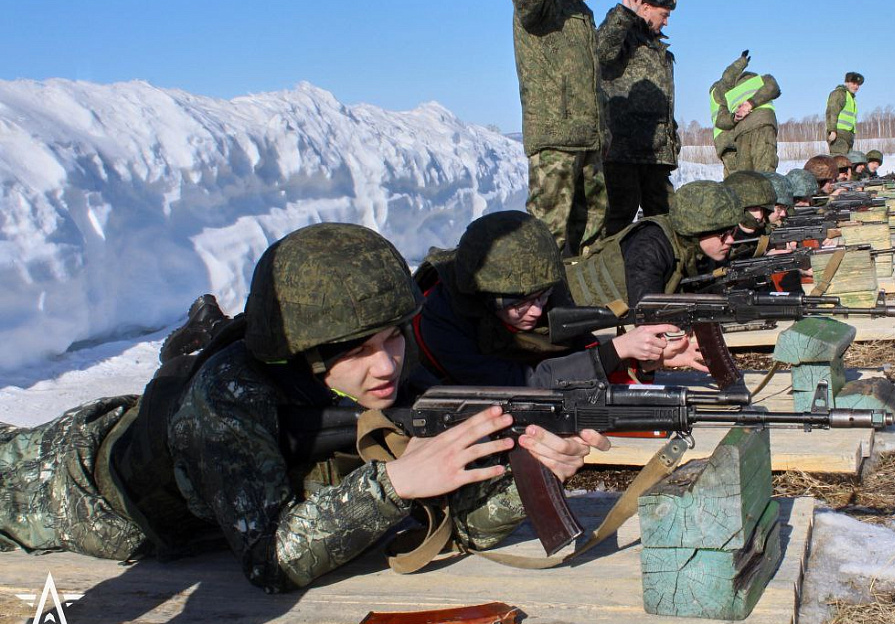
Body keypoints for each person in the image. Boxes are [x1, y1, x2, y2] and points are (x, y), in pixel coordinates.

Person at [0, 223, 607, 592]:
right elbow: (270, 562)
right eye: (358, 351)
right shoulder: (229, 399)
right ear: (304, 353)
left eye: (393, 338)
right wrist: (393, 484)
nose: (387, 365)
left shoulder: (387, 377)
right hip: (61, 486)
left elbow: (465, 525)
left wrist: (527, 475)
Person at [413, 211, 696, 385]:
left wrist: (643, 361)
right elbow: (518, 385)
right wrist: (616, 351)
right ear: (484, 296)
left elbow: (578, 357)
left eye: (542, 297)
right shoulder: (441, 316)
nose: (536, 311)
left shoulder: (543, 284)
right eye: (518, 303)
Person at [506, 0, 608, 256]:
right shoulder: (543, 1)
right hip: (555, 139)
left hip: (587, 141)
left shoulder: (581, 11)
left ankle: (588, 293)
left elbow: (590, 80)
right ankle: (546, 295)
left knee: (592, 240)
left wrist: (603, 133)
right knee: (548, 240)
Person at [565, 180, 741, 312]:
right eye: (722, 234)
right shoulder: (650, 247)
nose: (730, 240)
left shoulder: (695, 249)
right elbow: (646, 316)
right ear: (695, 230)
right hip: (570, 306)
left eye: (732, 231)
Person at [596, 0, 680, 236]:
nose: (667, 22)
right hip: (623, 151)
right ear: (645, 8)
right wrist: (624, 13)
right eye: (664, 14)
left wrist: (671, 138)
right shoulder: (624, 36)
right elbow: (600, 52)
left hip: (655, 153)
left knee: (666, 217)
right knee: (619, 217)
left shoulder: (657, 48)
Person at [709, 51, 781, 176]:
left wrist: (742, 61)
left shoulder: (724, 93)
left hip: (730, 140)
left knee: (741, 180)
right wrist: (749, 104)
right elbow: (773, 87)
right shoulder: (760, 80)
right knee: (764, 175)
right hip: (738, 138)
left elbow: (721, 120)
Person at [825, 71, 864, 156]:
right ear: (846, 83)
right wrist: (832, 131)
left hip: (848, 136)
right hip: (839, 135)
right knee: (840, 160)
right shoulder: (839, 94)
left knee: (848, 161)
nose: (856, 86)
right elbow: (832, 112)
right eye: (853, 83)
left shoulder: (851, 98)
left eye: (858, 85)